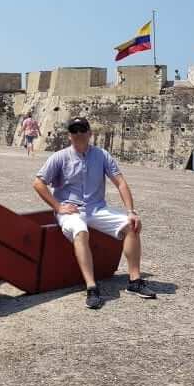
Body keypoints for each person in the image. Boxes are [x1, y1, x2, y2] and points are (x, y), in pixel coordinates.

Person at [32, 116, 156, 309]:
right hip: (71, 210)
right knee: (80, 231)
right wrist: (58, 207)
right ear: (69, 136)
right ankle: (91, 287)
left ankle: (135, 281)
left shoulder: (102, 155)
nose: (79, 134)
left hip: (96, 208)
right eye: (74, 131)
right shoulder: (60, 157)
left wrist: (131, 211)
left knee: (131, 226)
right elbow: (38, 183)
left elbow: (120, 183)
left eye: (82, 130)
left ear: (90, 133)